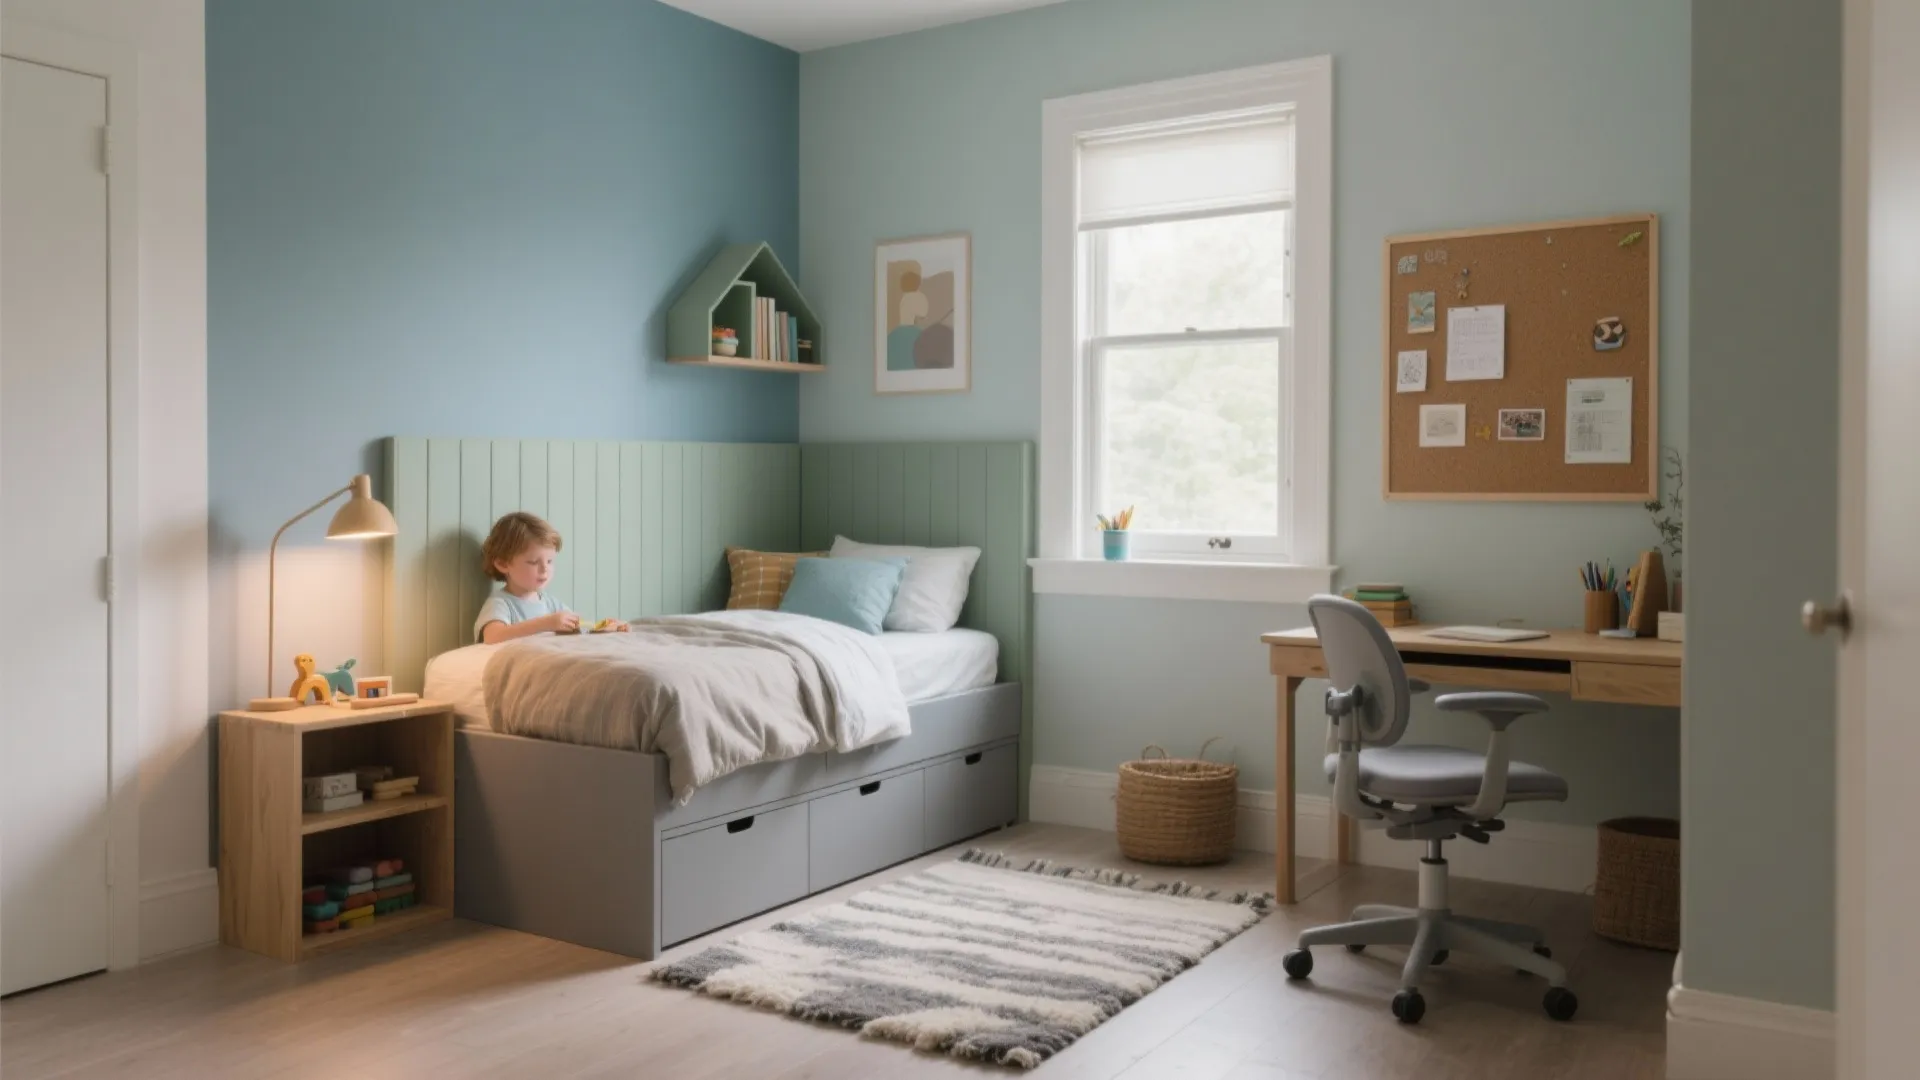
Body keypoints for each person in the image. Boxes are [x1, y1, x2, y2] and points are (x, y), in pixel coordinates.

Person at [473, 512, 626, 643]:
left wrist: (604, 628)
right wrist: (546, 623)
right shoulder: (501, 603)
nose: (545, 569)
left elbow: (578, 630)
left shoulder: (550, 603)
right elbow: (492, 637)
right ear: (503, 564)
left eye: (550, 561)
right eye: (533, 562)